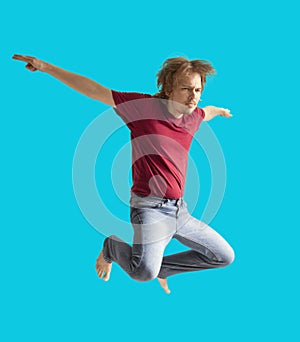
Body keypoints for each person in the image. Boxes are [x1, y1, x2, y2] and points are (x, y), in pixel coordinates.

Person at [13, 54, 235, 294]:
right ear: (169, 88)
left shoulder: (193, 117)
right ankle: (111, 247)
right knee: (142, 273)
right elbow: (94, 90)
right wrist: (46, 67)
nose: (193, 96)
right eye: (186, 89)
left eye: (198, 89)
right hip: (150, 209)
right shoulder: (143, 108)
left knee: (224, 256)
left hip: (180, 211)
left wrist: (220, 110)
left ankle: (164, 268)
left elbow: (207, 111)